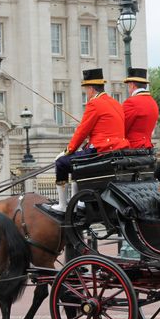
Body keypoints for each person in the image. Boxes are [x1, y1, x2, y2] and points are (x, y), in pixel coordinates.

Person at [52, 68, 130, 212]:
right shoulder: (115, 103)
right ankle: (77, 201)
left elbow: (82, 131)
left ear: (91, 89)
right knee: (76, 164)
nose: (86, 93)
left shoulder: (94, 104)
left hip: (102, 151)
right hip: (116, 149)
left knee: (61, 163)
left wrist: (67, 151)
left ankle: (64, 205)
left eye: (86, 89)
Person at [122, 67, 159, 149]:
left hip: (132, 148)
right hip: (147, 147)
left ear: (132, 85)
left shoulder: (131, 102)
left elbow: (121, 128)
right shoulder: (153, 102)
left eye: (128, 86)